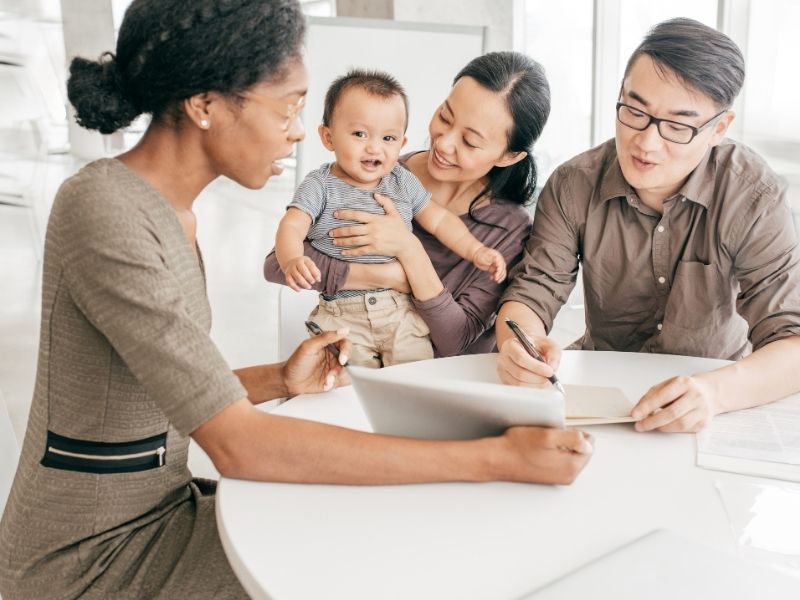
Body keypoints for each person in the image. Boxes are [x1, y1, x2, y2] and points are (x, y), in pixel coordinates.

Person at [0, 2, 592, 598]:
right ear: (206, 105)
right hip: (92, 560)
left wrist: (280, 378)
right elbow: (237, 444)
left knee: (394, 535)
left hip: (163, 509)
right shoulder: (108, 211)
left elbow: (156, 387)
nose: (299, 130)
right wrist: (496, 458)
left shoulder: (170, 213)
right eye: (289, 107)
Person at [497, 17, 800, 433]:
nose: (646, 143)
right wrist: (520, 343)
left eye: (678, 126)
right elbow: (533, 292)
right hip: (600, 394)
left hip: (715, 396)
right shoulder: (573, 184)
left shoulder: (753, 195)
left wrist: (714, 393)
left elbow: (792, 342)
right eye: (634, 111)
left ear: (719, 129)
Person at [265, 50, 549, 358]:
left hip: (443, 381)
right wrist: (389, 277)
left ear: (509, 156)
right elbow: (276, 265)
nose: (443, 143)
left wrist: (409, 251)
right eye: (445, 116)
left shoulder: (508, 228)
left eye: (469, 141)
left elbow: (457, 342)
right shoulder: (378, 174)